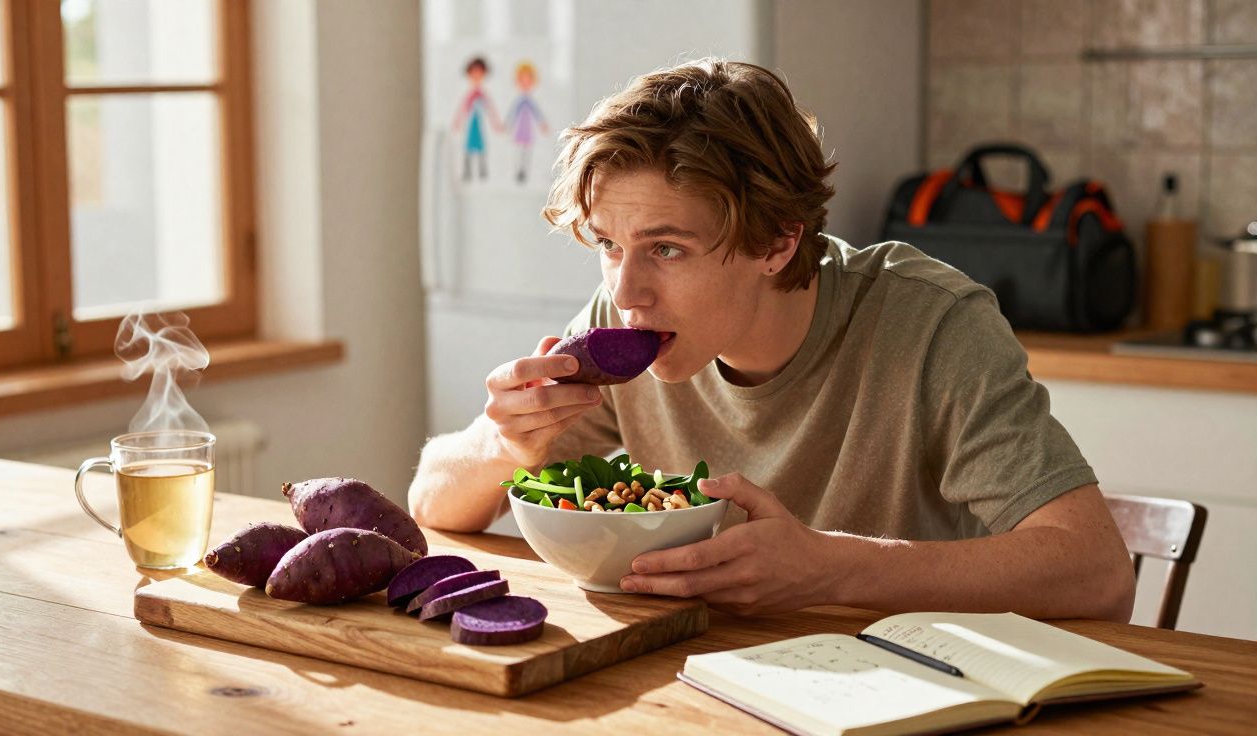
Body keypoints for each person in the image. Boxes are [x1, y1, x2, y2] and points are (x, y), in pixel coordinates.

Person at [409, 59, 1136, 621]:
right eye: (607, 244)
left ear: (778, 242)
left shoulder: (930, 324)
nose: (627, 292)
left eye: (667, 249)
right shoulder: (622, 321)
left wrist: (836, 568)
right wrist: (505, 445)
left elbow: (1098, 575)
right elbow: (432, 503)